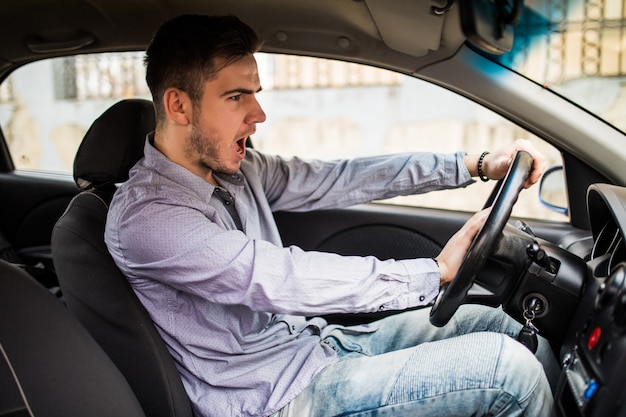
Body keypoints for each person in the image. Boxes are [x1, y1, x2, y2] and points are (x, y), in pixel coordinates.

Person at [104, 14, 555, 417]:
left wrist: (471, 165)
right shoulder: (147, 219)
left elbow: (344, 177)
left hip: (315, 347)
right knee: (507, 370)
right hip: (274, 398)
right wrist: (433, 272)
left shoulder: (240, 171)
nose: (258, 114)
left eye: (255, 94)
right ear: (178, 105)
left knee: (509, 324)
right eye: (236, 97)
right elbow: (279, 276)